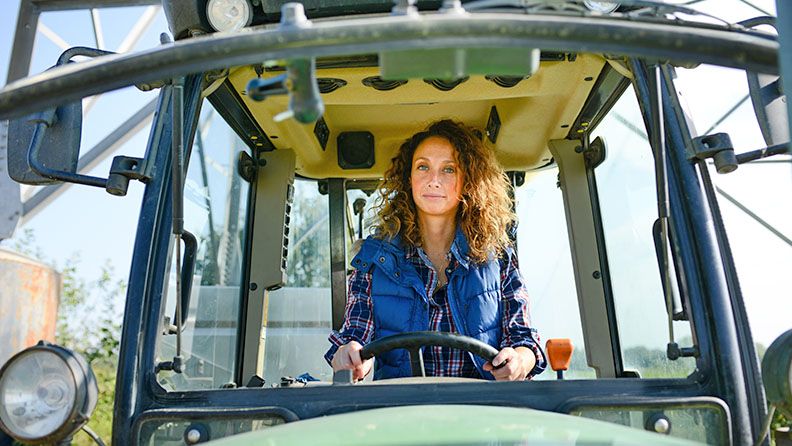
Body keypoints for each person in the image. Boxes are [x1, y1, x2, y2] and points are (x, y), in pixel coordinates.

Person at [324, 119, 546, 382]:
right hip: (398, 414)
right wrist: (351, 356)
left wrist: (520, 359)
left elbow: (523, 339)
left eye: (449, 169)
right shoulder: (375, 260)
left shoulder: (498, 258)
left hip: (483, 413)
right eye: (423, 167)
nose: (433, 180)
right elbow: (355, 335)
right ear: (409, 178)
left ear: (468, 181)